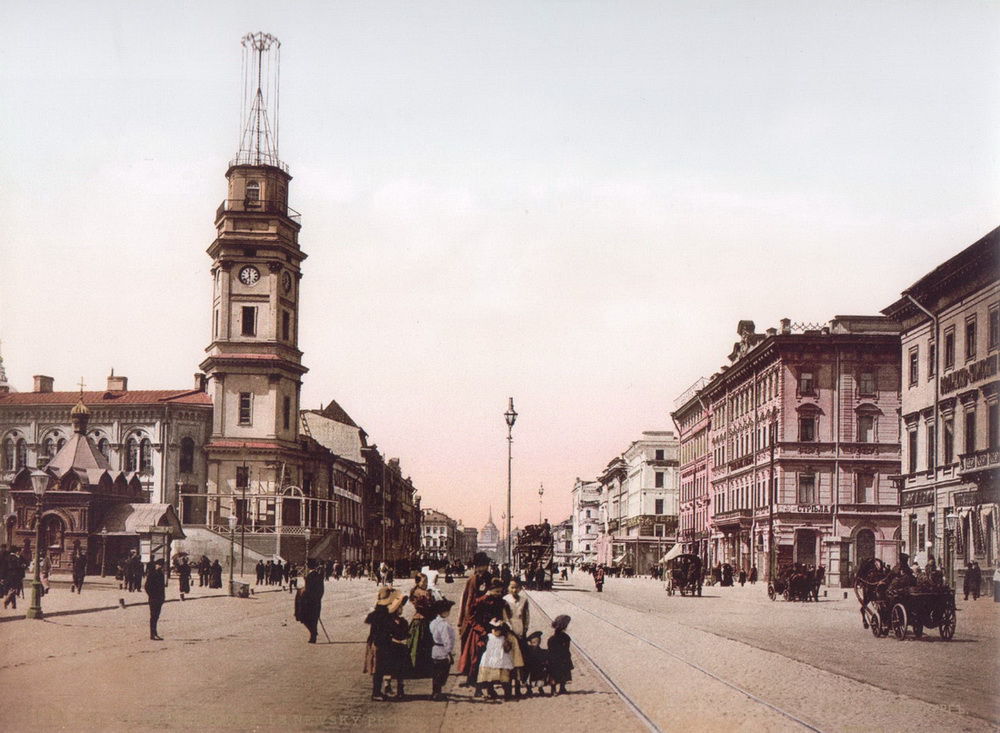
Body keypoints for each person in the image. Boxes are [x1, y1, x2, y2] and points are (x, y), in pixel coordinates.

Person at [460, 577, 507, 693]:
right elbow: (470, 617)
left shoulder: (500, 601)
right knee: (478, 658)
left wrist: (499, 623)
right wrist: (481, 630)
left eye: (500, 592)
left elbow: (500, 615)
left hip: (494, 632)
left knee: (492, 658)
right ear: (490, 590)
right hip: (480, 632)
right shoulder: (481, 601)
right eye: (496, 591)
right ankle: (477, 685)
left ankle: (489, 683)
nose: (498, 594)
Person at [365, 589, 410, 700]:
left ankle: (380, 691)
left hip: (381, 643)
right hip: (379, 644)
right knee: (379, 669)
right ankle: (376, 693)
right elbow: (391, 630)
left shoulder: (380, 613)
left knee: (380, 669)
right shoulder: (383, 614)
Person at [478, 619, 515, 700]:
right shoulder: (489, 637)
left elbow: (507, 648)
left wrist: (507, 645)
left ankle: (508, 694)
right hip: (490, 659)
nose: (496, 631)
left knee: (505, 678)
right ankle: (491, 692)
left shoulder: (504, 638)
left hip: (502, 659)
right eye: (494, 629)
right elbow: (482, 644)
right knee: (489, 678)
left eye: (498, 630)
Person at [407, 573, 436, 678]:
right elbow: (419, 606)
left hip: (427, 620)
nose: (426, 584)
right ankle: (415, 667)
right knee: (417, 645)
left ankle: (426, 667)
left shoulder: (428, 592)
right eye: (424, 582)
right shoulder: (416, 592)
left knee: (427, 644)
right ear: (418, 582)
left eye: (427, 581)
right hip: (419, 620)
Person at [429, 599, 457, 701]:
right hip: (442, 650)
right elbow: (447, 640)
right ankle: (437, 693)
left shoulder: (433, 622)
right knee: (442, 673)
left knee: (436, 673)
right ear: (444, 612)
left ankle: (434, 692)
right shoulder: (444, 625)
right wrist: (449, 652)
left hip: (435, 649)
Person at [294, 558, 325, 643]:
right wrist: (318, 598)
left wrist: (301, 592)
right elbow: (321, 590)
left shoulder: (311, 576)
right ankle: (313, 635)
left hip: (309, 602)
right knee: (313, 619)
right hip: (316, 602)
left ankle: (313, 634)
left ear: (308, 566)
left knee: (305, 618)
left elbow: (309, 590)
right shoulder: (318, 575)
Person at [546, 615, 574, 696]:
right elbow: (566, 649)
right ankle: (562, 688)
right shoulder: (566, 637)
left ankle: (554, 689)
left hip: (553, 658)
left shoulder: (551, 638)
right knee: (563, 673)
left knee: (554, 674)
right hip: (562, 658)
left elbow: (550, 649)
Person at [144, 559, 166, 640]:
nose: (160, 567)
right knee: (153, 616)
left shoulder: (161, 574)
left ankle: (154, 633)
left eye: (161, 565)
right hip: (153, 598)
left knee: (156, 616)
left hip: (159, 598)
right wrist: (152, 595)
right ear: (156, 565)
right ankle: (152, 634)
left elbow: (162, 588)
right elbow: (147, 586)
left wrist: (163, 597)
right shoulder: (152, 574)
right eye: (159, 565)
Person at [522, 631, 548, 696]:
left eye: (538, 641)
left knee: (540, 677)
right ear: (531, 642)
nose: (536, 643)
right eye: (534, 642)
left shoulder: (542, 651)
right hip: (530, 667)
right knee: (528, 678)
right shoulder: (528, 650)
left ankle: (540, 688)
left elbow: (543, 658)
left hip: (538, 667)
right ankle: (529, 689)